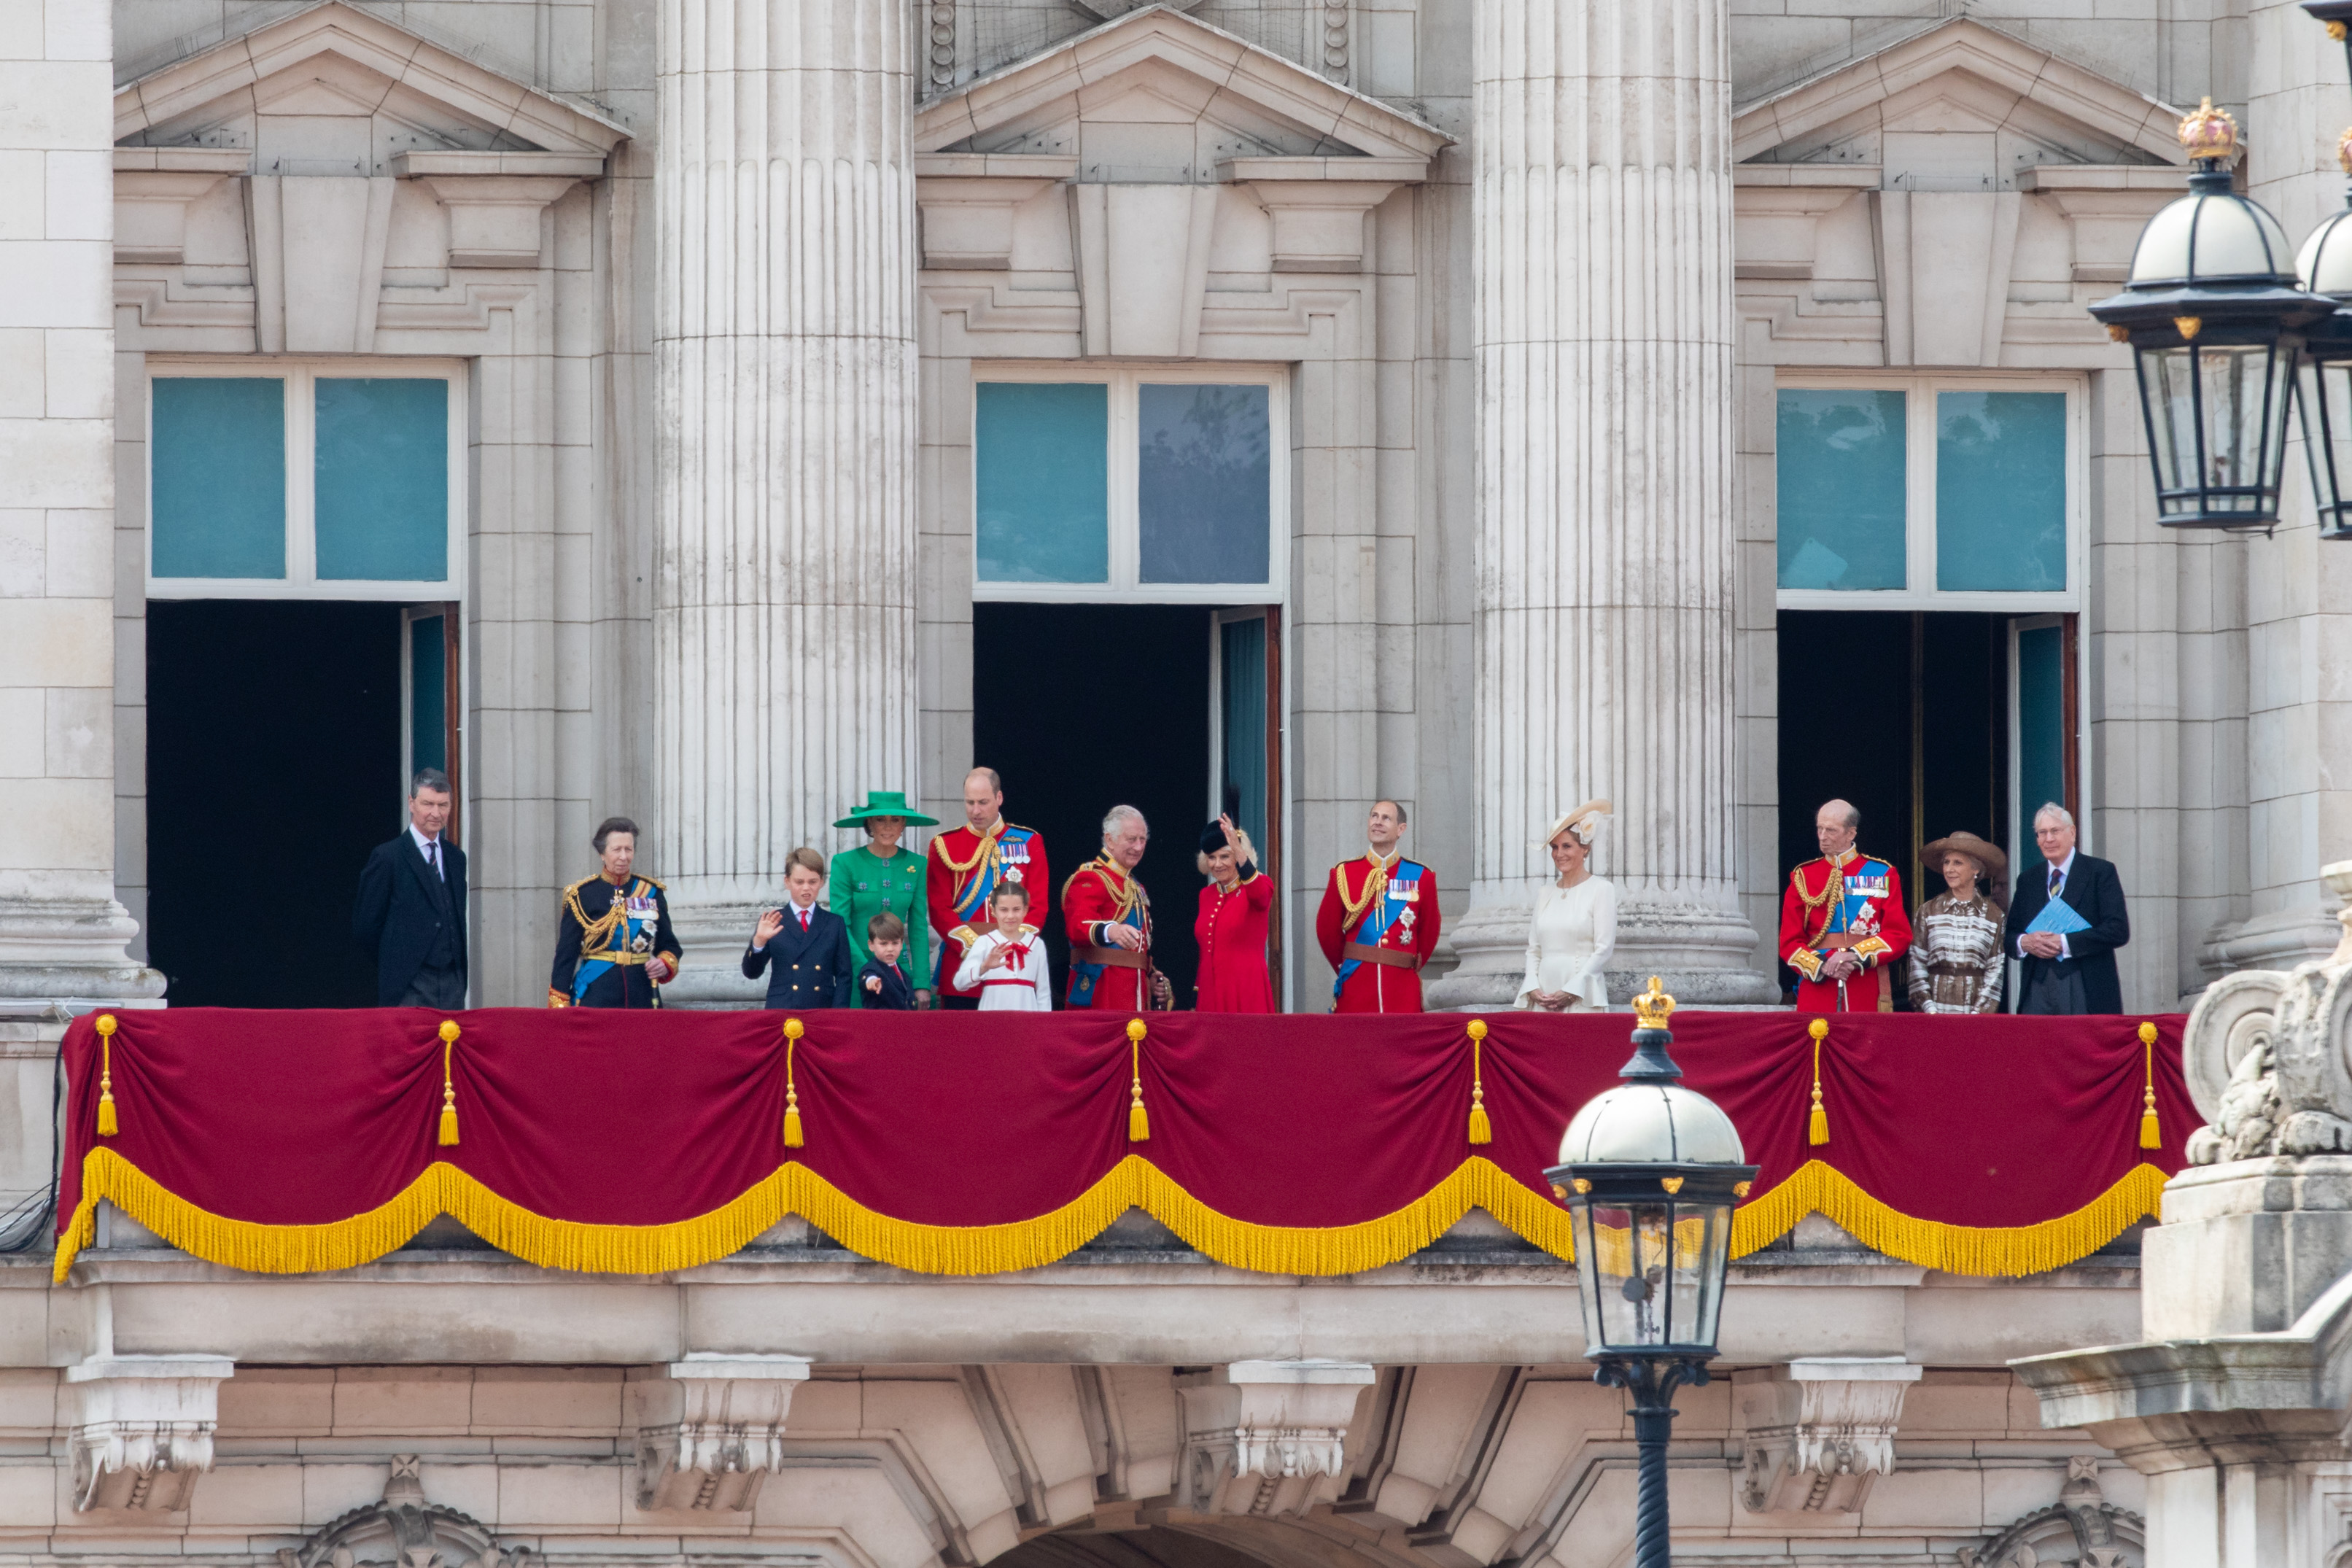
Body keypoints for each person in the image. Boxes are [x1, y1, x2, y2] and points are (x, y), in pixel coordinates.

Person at [928, 768, 1050, 1010]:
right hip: (963, 962)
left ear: (999, 798)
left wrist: (1009, 945)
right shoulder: (944, 845)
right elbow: (938, 909)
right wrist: (979, 949)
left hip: (1015, 966)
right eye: (970, 802)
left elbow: (1038, 906)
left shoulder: (1029, 842)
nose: (975, 810)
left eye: (983, 802)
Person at [1778, 799, 1911, 1014]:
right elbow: (1789, 942)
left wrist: (1853, 955)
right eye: (1820, 829)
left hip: (1863, 980)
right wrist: (1822, 965)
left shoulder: (1883, 873)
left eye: (1831, 830)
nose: (1822, 837)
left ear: (1851, 833)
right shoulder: (1803, 876)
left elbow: (1898, 934)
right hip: (1818, 985)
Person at [352, 768, 468, 1008]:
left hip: (451, 985)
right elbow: (366, 927)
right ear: (411, 803)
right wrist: (397, 962)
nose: (436, 813)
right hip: (408, 986)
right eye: (428, 804)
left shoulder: (456, 858)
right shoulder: (388, 857)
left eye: (443, 805)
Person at [2001, 804, 2130, 1014]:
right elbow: (2010, 937)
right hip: (2037, 986)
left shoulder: (2100, 872)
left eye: (2055, 831)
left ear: (2072, 833)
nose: (2048, 839)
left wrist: (2064, 943)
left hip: (2085, 985)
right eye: (2042, 833)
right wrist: (2024, 942)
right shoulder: (2028, 880)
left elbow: (2118, 930)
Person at [1316, 799, 1440, 1013]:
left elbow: (1429, 932)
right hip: (1357, 984)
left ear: (1401, 829)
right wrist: (1350, 965)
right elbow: (1327, 931)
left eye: (1386, 818)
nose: (1378, 822)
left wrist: (1403, 962)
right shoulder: (1344, 873)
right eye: (1374, 816)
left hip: (1401, 990)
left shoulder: (1422, 877)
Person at [550, 817, 680, 1008]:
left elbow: (669, 944)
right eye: (617, 850)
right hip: (596, 994)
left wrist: (664, 963)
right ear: (602, 853)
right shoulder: (583, 895)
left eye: (629, 849)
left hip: (642, 995)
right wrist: (559, 1005)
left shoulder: (651, 892)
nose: (624, 857)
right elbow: (566, 956)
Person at [831, 789, 936, 1009]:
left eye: (895, 820)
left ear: (903, 825)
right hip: (858, 972)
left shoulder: (917, 865)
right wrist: (867, 972)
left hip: (900, 972)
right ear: (869, 824)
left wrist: (921, 983)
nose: (888, 827)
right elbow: (841, 925)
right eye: (880, 820)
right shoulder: (845, 863)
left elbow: (918, 926)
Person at [1066, 805, 1172, 1011]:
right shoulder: (1090, 877)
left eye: (1143, 840)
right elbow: (1077, 927)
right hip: (1103, 994)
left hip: (1134, 994)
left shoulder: (1135, 885)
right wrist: (1111, 930)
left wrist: (1149, 976)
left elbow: (1137, 949)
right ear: (1110, 839)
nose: (1139, 847)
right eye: (1132, 839)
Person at [1515, 800, 1617, 1012]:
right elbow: (1534, 949)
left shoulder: (1601, 889)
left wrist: (1572, 990)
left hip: (1582, 995)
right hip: (1543, 995)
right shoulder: (1545, 893)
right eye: (1554, 847)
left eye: (1567, 846)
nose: (1559, 854)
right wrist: (1533, 986)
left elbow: (1604, 949)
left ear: (1585, 848)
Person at [1908, 831, 2009, 1015]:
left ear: (1976, 869)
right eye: (1946, 862)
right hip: (1933, 1015)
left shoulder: (1995, 916)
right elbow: (1917, 965)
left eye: (1958, 863)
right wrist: (1930, 1011)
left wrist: (1978, 1016)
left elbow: (1996, 971)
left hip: (1975, 1019)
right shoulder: (1928, 911)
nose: (1949, 869)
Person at [744, 847, 853, 1009]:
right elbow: (752, 973)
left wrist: (836, 1014)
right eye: (799, 882)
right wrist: (759, 942)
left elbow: (844, 976)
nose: (806, 888)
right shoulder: (773, 921)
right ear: (787, 881)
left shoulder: (834, 923)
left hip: (821, 1009)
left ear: (822, 882)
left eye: (812, 882)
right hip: (782, 1009)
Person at [1195, 814, 1274, 1013]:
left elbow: (1261, 897)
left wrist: (1237, 848)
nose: (1217, 864)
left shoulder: (1259, 885)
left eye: (1225, 856)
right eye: (1211, 858)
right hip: (1210, 995)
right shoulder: (1207, 895)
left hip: (1246, 991)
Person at [954, 883, 1055, 1011]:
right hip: (992, 1018)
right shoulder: (984, 942)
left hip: (1028, 1018)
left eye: (1016, 909)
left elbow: (1043, 992)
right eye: (1004, 910)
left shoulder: (1037, 944)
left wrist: (1043, 1024)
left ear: (1025, 910)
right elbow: (959, 983)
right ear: (993, 911)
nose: (1010, 916)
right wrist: (984, 967)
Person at [860, 912, 917, 1010]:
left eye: (895, 943)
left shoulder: (903, 973)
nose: (890, 949)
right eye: (884, 944)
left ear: (901, 944)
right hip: (881, 1023)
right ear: (871, 945)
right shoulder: (871, 968)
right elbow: (868, 976)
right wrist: (871, 982)